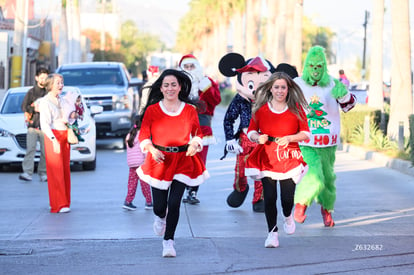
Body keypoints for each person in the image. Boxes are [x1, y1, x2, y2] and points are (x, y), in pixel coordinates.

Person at [136, 69, 209, 257]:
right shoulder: (152, 110)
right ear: (161, 88)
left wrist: (194, 143)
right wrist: (152, 149)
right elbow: (144, 135)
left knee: (175, 202)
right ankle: (160, 217)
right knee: (160, 206)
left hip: (183, 161)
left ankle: (169, 241)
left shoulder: (189, 110)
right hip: (159, 161)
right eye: (166, 85)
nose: (170, 88)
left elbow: (198, 134)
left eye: (173, 85)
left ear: (180, 87)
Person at [245, 72, 310, 248]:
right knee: (270, 197)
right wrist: (257, 137)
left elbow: (306, 133)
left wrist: (290, 138)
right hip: (267, 158)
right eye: (277, 87)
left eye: (283, 87)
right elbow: (250, 130)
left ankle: (288, 216)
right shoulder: (261, 110)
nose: (280, 91)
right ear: (270, 89)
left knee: (287, 199)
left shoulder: (296, 109)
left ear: (288, 89)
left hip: (289, 157)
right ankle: (272, 234)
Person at [293, 46, 357, 227]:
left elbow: (349, 105)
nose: (315, 70)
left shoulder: (333, 83)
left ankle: (327, 210)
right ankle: (301, 205)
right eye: (312, 66)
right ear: (306, 66)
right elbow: (282, 101)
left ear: (324, 67)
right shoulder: (297, 83)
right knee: (314, 175)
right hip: (306, 141)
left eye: (319, 66)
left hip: (328, 142)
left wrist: (344, 96)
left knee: (328, 178)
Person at [218, 53, 276, 212]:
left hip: (265, 140)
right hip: (245, 140)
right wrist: (230, 140)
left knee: (262, 173)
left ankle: (260, 198)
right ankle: (240, 189)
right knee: (241, 170)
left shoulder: (273, 100)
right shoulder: (240, 100)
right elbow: (229, 119)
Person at [179, 54, 221, 204]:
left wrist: (207, 88)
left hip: (202, 127)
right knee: (184, 161)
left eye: (192, 66)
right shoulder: (177, 82)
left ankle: (193, 192)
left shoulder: (207, 82)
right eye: (186, 67)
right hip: (182, 128)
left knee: (199, 161)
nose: (189, 70)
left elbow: (216, 100)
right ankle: (184, 189)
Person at [39, 73, 71, 213]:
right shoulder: (45, 102)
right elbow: (44, 124)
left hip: (64, 135)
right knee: (55, 171)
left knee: (65, 170)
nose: (60, 85)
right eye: (57, 83)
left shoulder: (63, 100)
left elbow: (69, 117)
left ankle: (65, 201)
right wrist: (53, 140)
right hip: (54, 136)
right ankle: (58, 204)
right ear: (50, 85)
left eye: (62, 82)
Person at [19, 67, 49, 182]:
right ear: (36, 78)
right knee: (30, 149)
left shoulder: (49, 93)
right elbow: (24, 107)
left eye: (45, 78)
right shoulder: (31, 92)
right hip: (32, 125)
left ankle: (43, 173)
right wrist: (34, 108)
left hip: (46, 126)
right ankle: (27, 172)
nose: (43, 80)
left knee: (45, 151)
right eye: (41, 78)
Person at [122, 116, 152, 210]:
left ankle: (128, 201)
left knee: (132, 183)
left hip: (132, 164)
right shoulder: (142, 136)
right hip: (141, 164)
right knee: (145, 183)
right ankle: (149, 202)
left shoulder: (129, 135)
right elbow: (145, 150)